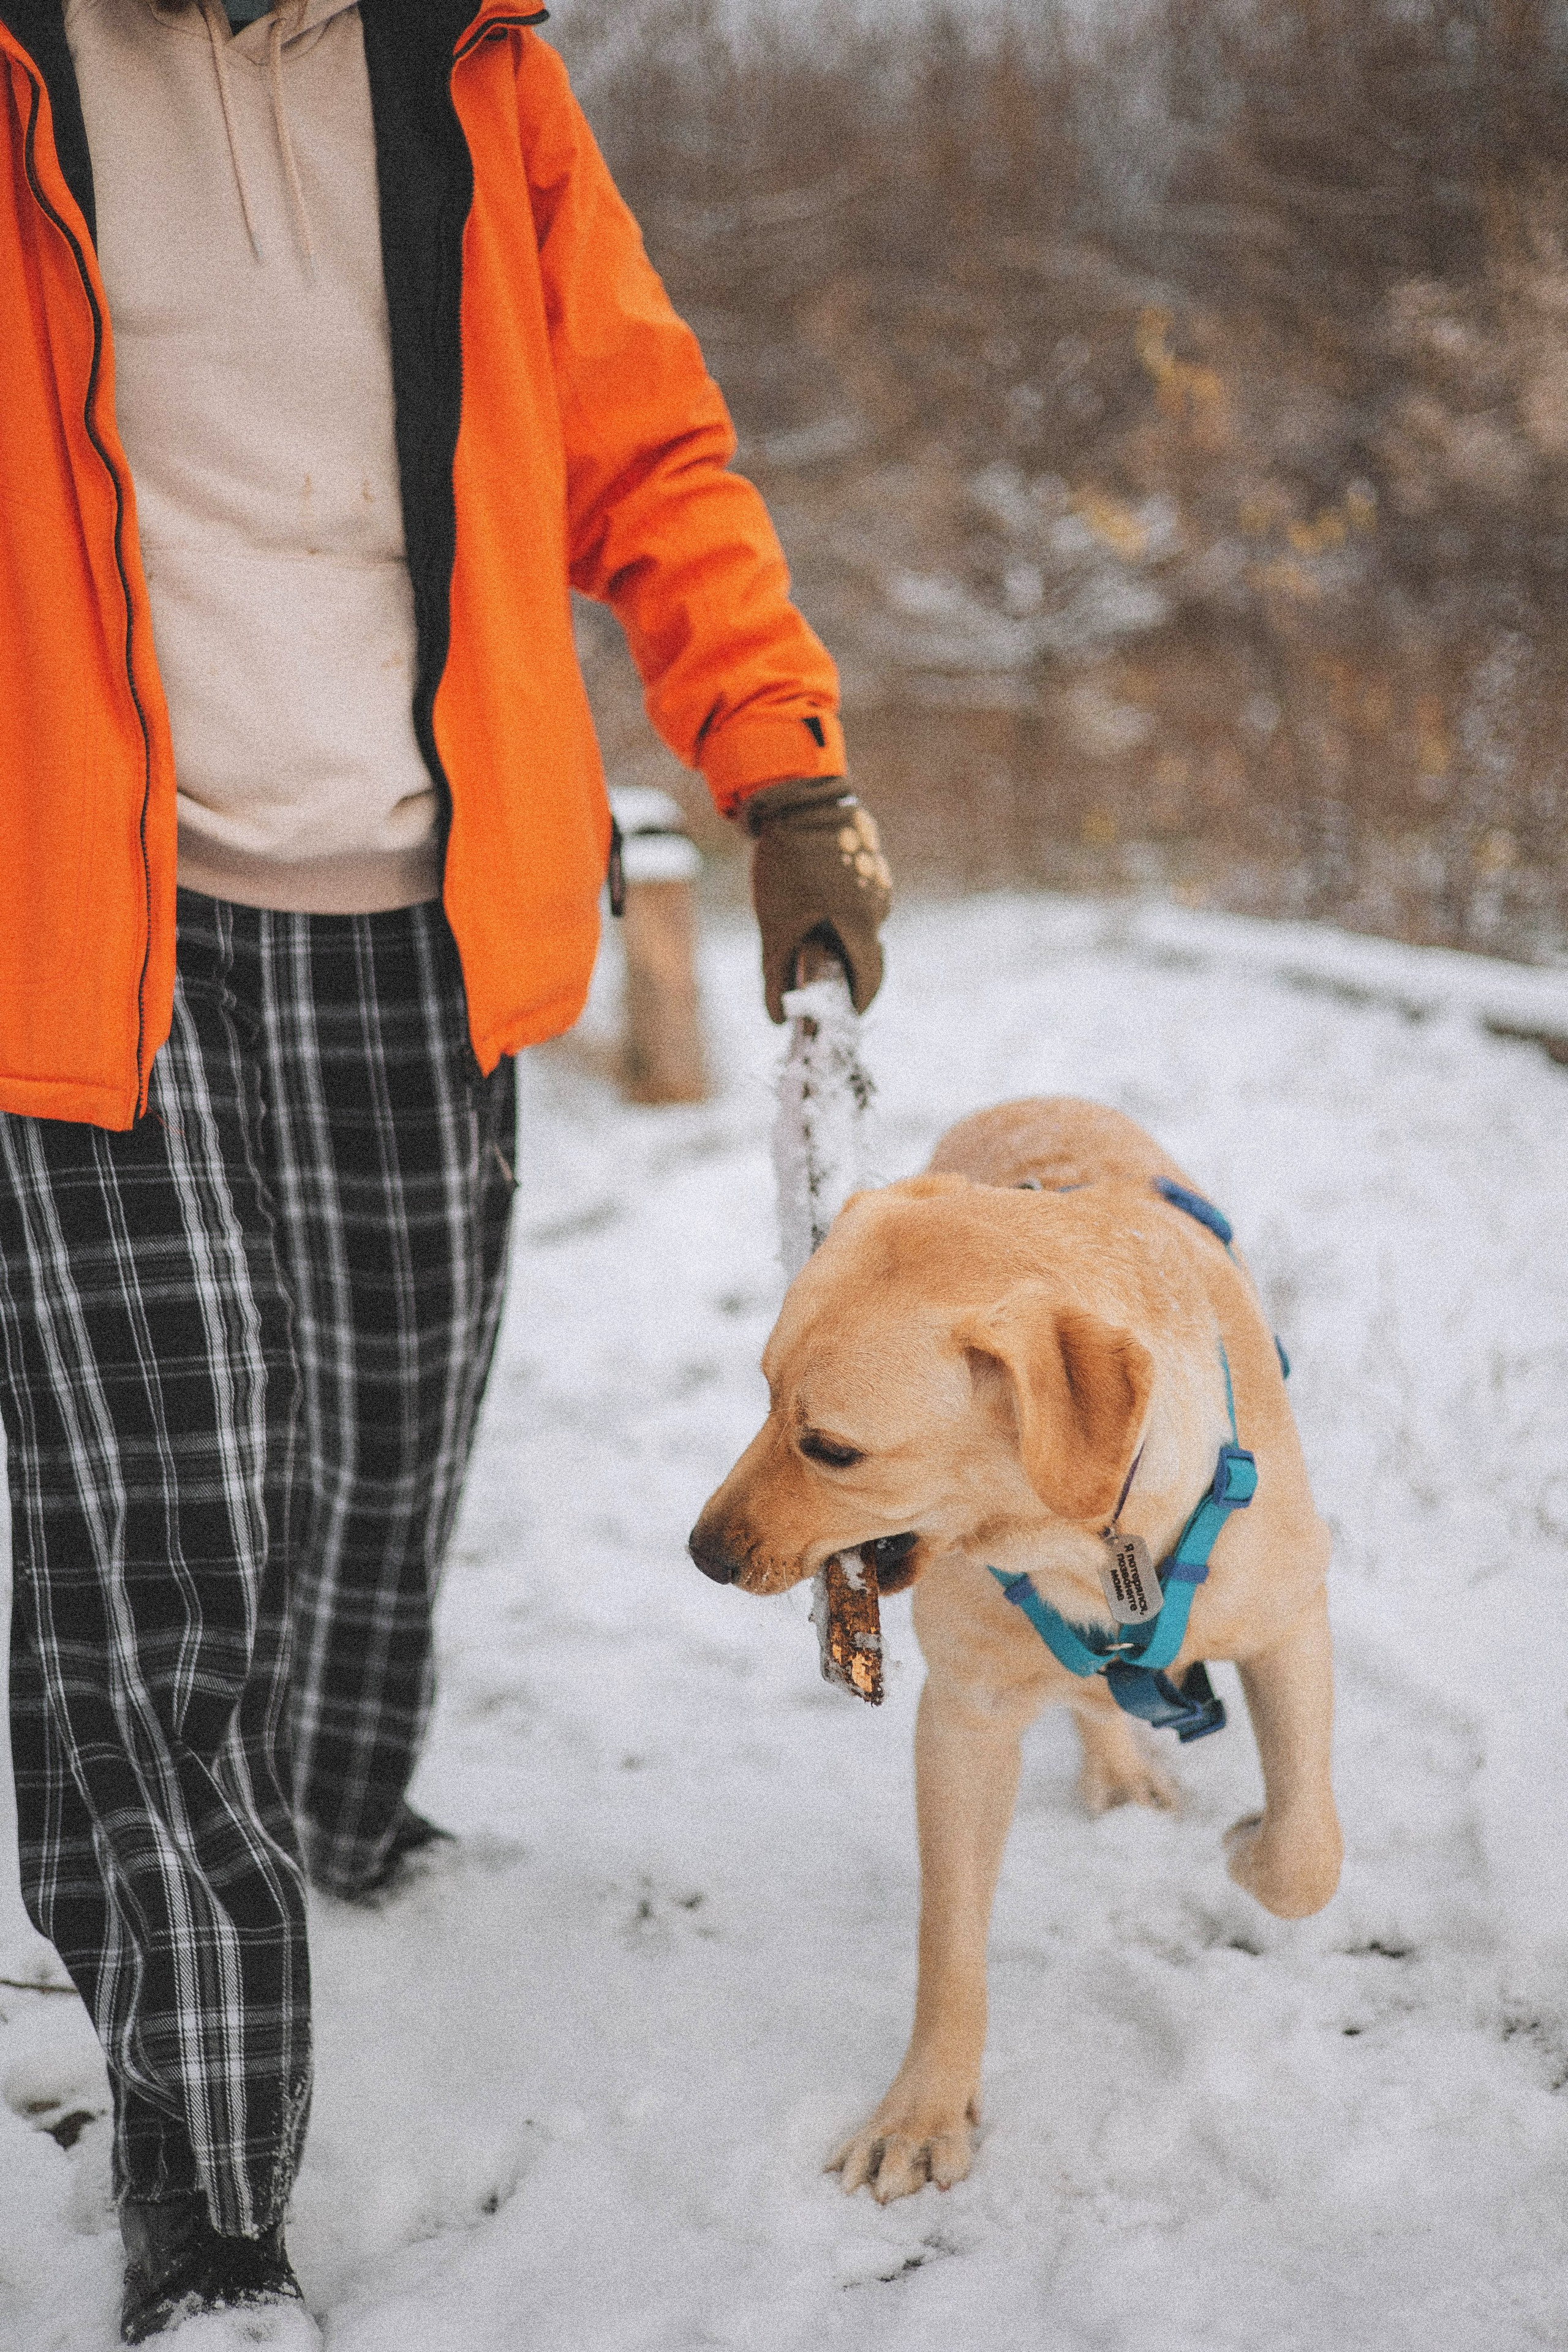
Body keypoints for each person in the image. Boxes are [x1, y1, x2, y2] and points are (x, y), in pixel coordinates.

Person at [0, 0, 892, 2340]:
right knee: (158, 1534)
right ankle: (206, 2197)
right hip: (95, 933)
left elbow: (646, 455)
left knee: (381, 1450)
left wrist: (783, 775)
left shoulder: (469, 70)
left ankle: (334, 1802)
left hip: (422, 919)